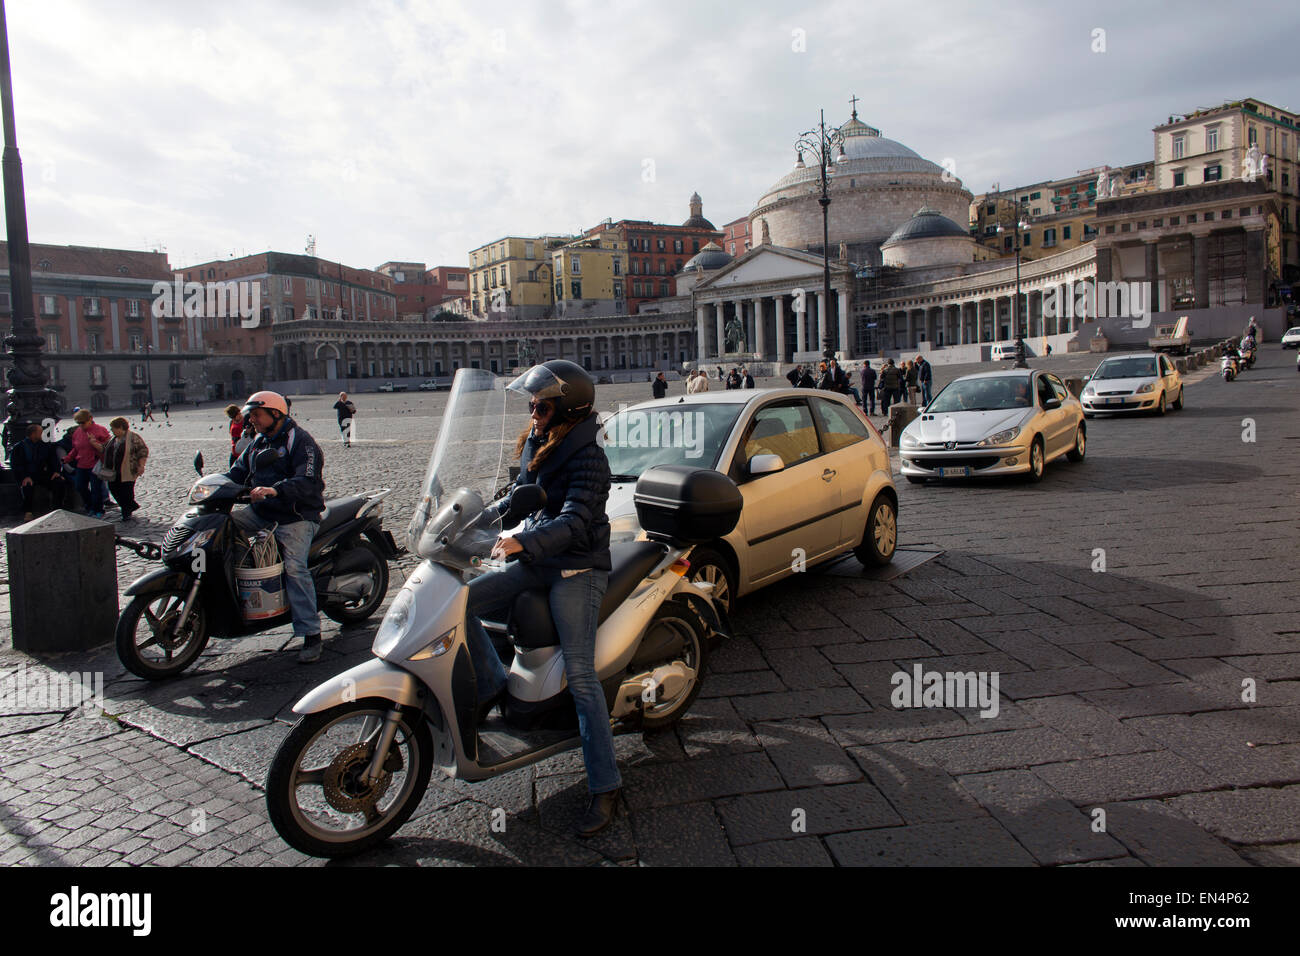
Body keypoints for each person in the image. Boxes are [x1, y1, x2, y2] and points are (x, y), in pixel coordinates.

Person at [464, 360, 622, 837]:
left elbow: (576, 521)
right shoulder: (540, 440)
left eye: (540, 405)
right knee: (460, 605)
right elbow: (518, 496)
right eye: (531, 404)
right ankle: (494, 683)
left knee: (581, 675)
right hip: (537, 557)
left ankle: (605, 784)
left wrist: (523, 542)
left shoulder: (589, 456)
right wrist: (470, 522)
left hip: (576, 567)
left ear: (566, 407)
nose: (532, 412)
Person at [224, 391, 326, 663]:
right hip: (262, 512)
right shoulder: (258, 441)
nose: (252, 420)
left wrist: (275, 490)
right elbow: (237, 471)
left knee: (294, 567)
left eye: (257, 415)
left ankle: (311, 633)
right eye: (251, 415)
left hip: (296, 516)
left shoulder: (301, 442)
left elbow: (307, 480)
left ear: (276, 413)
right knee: (223, 529)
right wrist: (214, 485)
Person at [12, 423, 66, 521]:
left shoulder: (45, 445)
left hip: (42, 473)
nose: (42, 434)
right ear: (33, 434)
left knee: (59, 482)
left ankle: (57, 508)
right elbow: (17, 465)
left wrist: (56, 471)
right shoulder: (19, 447)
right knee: (27, 486)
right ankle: (28, 512)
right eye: (40, 432)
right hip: (28, 474)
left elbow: (53, 460)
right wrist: (24, 476)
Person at [101, 417, 148, 522]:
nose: (111, 430)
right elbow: (104, 449)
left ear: (121, 428)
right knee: (113, 488)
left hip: (128, 470)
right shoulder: (113, 439)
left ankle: (126, 512)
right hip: (113, 471)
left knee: (126, 492)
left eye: (113, 428)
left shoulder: (133, 438)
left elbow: (143, 451)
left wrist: (141, 465)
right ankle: (131, 505)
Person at [68, 409, 110, 518]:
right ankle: (90, 506)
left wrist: (94, 443)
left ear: (90, 419)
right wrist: (67, 458)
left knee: (96, 488)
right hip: (81, 464)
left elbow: (108, 447)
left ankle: (98, 509)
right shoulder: (77, 432)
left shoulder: (100, 430)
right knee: (80, 486)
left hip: (95, 464)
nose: (81, 425)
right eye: (79, 423)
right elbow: (75, 448)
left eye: (83, 422)